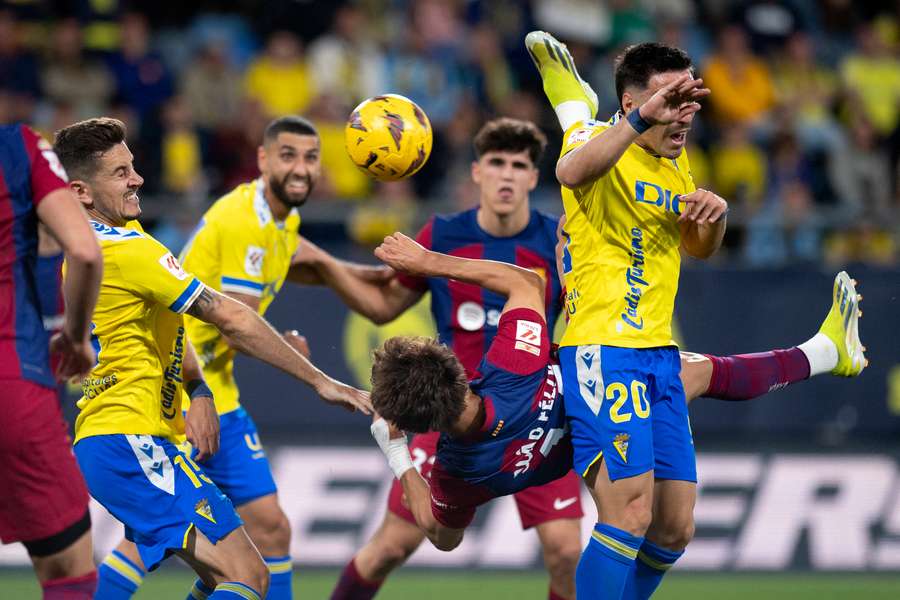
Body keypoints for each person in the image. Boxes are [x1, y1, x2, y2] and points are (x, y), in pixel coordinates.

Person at [524, 32, 866, 599]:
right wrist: (632, 124)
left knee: (674, 529)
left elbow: (700, 248)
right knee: (627, 515)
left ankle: (826, 353)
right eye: (668, 102)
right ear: (632, 106)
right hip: (601, 351)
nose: (682, 116)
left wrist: (715, 216)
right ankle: (571, 98)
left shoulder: (676, 167)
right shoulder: (604, 144)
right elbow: (570, 173)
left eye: (689, 102)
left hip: (655, 355)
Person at [366, 232, 868, 556]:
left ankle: (825, 352)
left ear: (422, 426)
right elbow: (522, 281)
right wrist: (428, 260)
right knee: (693, 374)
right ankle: (823, 353)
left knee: (686, 386)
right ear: (454, 364)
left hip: (578, 449)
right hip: (595, 400)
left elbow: (442, 535)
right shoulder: (510, 366)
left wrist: (396, 454)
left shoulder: (458, 473)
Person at [52, 117, 371, 600]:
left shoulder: (95, 249)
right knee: (247, 574)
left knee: (227, 573)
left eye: (132, 167)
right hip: (129, 440)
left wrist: (197, 389)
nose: (137, 178)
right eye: (120, 173)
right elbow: (231, 318)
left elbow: (171, 331)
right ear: (81, 192)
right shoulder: (128, 250)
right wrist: (319, 381)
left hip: (131, 438)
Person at [311, 118, 587, 600]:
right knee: (389, 548)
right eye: (496, 163)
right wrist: (322, 264)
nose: (506, 175)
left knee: (566, 553)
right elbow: (382, 306)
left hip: (534, 412)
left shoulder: (556, 239)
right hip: (450, 414)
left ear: (532, 178)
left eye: (518, 166)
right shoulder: (441, 233)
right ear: (477, 172)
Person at [0, 123, 103, 599]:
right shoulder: (17, 148)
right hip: (12, 381)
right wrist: (77, 338)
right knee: (69, 570)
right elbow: (84, 249)